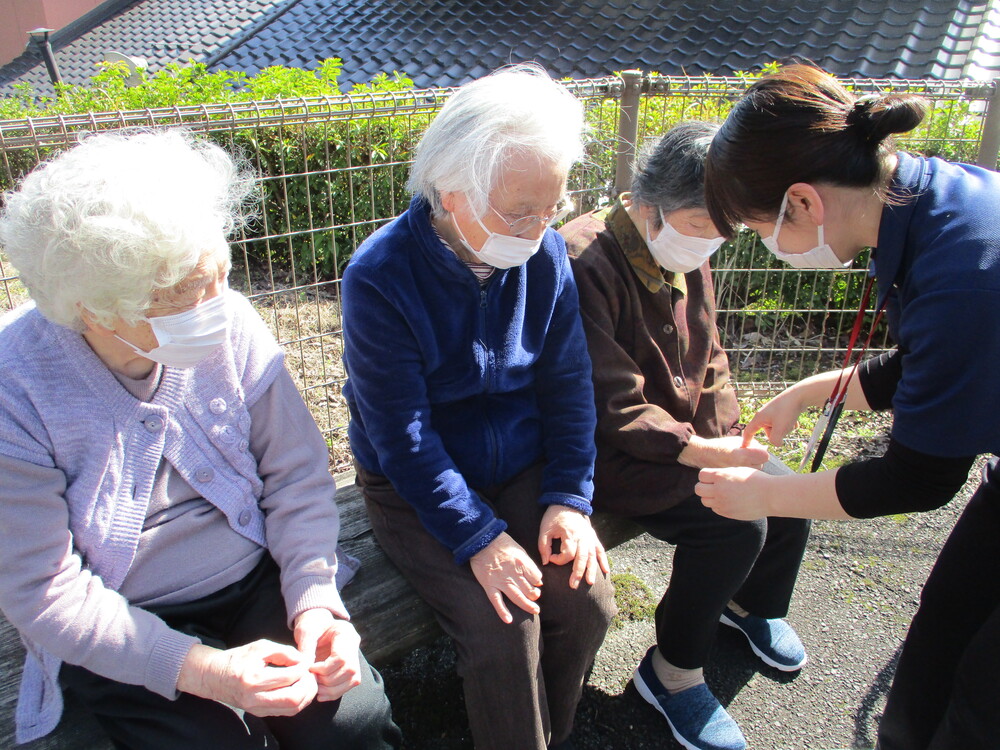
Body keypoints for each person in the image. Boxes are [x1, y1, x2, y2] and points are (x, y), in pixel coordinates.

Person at [0, 129, 401, 750]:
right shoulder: (15, 388)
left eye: (220, 274)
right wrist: (206, 671)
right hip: (120, 621)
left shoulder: (231, 322)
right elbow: (43, 590)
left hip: (254, 576)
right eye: (186, 296)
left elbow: (295, 475)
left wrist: (315, 601)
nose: (221, 304)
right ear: (98, 311)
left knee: (351, 726)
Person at [697, 63, 1000, 750]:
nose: (769, 248)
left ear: (801, 202)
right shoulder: (924, 202)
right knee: (942, 634)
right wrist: (809, 391)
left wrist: (764, 495)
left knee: (981, 703)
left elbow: (918, 480)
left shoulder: (964, 270)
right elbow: (924, 366)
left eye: (758, 227)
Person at [341, 65, 616, 750]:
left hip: (521, 465)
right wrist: (478, 538)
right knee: (502, 631)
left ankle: (546, 732)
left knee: (584, 602)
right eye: (518, 211)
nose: (538, 227)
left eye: (550, 207)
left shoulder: (545, 254)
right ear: (451, 190)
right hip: (417, 489)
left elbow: (568, 386)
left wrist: (569, 499)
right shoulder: (379, 277)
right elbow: (402, 438)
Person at [561, 122, 811, 750]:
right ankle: (671, 674)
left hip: (678, 441)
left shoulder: (683, 251)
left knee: (786, 495)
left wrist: (736, 439)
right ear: (647, 202)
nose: (709, 243)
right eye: (699, 225)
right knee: (735, 523)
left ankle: (748, 606)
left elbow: (713, 358)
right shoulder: (581, 258)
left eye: (722, 232)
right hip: (606, 454)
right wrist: (702, 453)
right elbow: (608, 401)